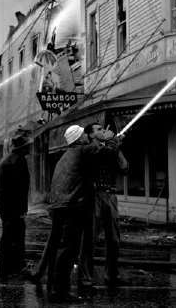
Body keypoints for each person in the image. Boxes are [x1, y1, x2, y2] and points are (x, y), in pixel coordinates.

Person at [47, 124, 120, 303]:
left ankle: (55, 289)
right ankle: (60, 293)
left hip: (59, 206)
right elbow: (106, 154)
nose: (88, 137)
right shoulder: (83, 150)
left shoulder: (67, 154)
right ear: (80, 138)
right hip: (71, 207)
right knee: (67, 251)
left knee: (61, 249)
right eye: (84, 135)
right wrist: (110, 139)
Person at [79, 123, 129, 289]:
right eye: (99, 129)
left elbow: (125, 168)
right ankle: (86, 278)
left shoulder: (110, 148)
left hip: (111, 195)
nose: (103, 131)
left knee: (114, 240)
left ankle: (112, 275)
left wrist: (116, 146)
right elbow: (99, 156)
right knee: (90, 239)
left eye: (103, 129)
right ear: (92, 135)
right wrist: (112, 144)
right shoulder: (89, 149)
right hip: (95, 196)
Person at [0, 127, 32, 279]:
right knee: (12, 236)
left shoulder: (13, 159)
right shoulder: (17, 161)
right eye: (28, 145)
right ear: (23, 147)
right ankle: (9, 269)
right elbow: (19, 189)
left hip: (7, 204)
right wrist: (22, 209)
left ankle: (12, 267)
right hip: (11, 205)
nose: (30, 147)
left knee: (12, 235)